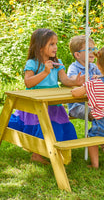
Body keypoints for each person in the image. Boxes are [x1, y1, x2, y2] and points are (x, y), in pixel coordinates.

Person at [8, 28, 85, 164]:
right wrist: (44, 72)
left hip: (53, 104)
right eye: (51, 44)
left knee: (55, 126)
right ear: (39, 47)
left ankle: (56, 148)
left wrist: (75, 82)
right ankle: (37, 153)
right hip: (36, 104)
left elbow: (65, 80)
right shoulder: (32, 63)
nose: (55, 47)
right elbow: (28, 82)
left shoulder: (57, 63)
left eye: (56, 44)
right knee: (42, 126)